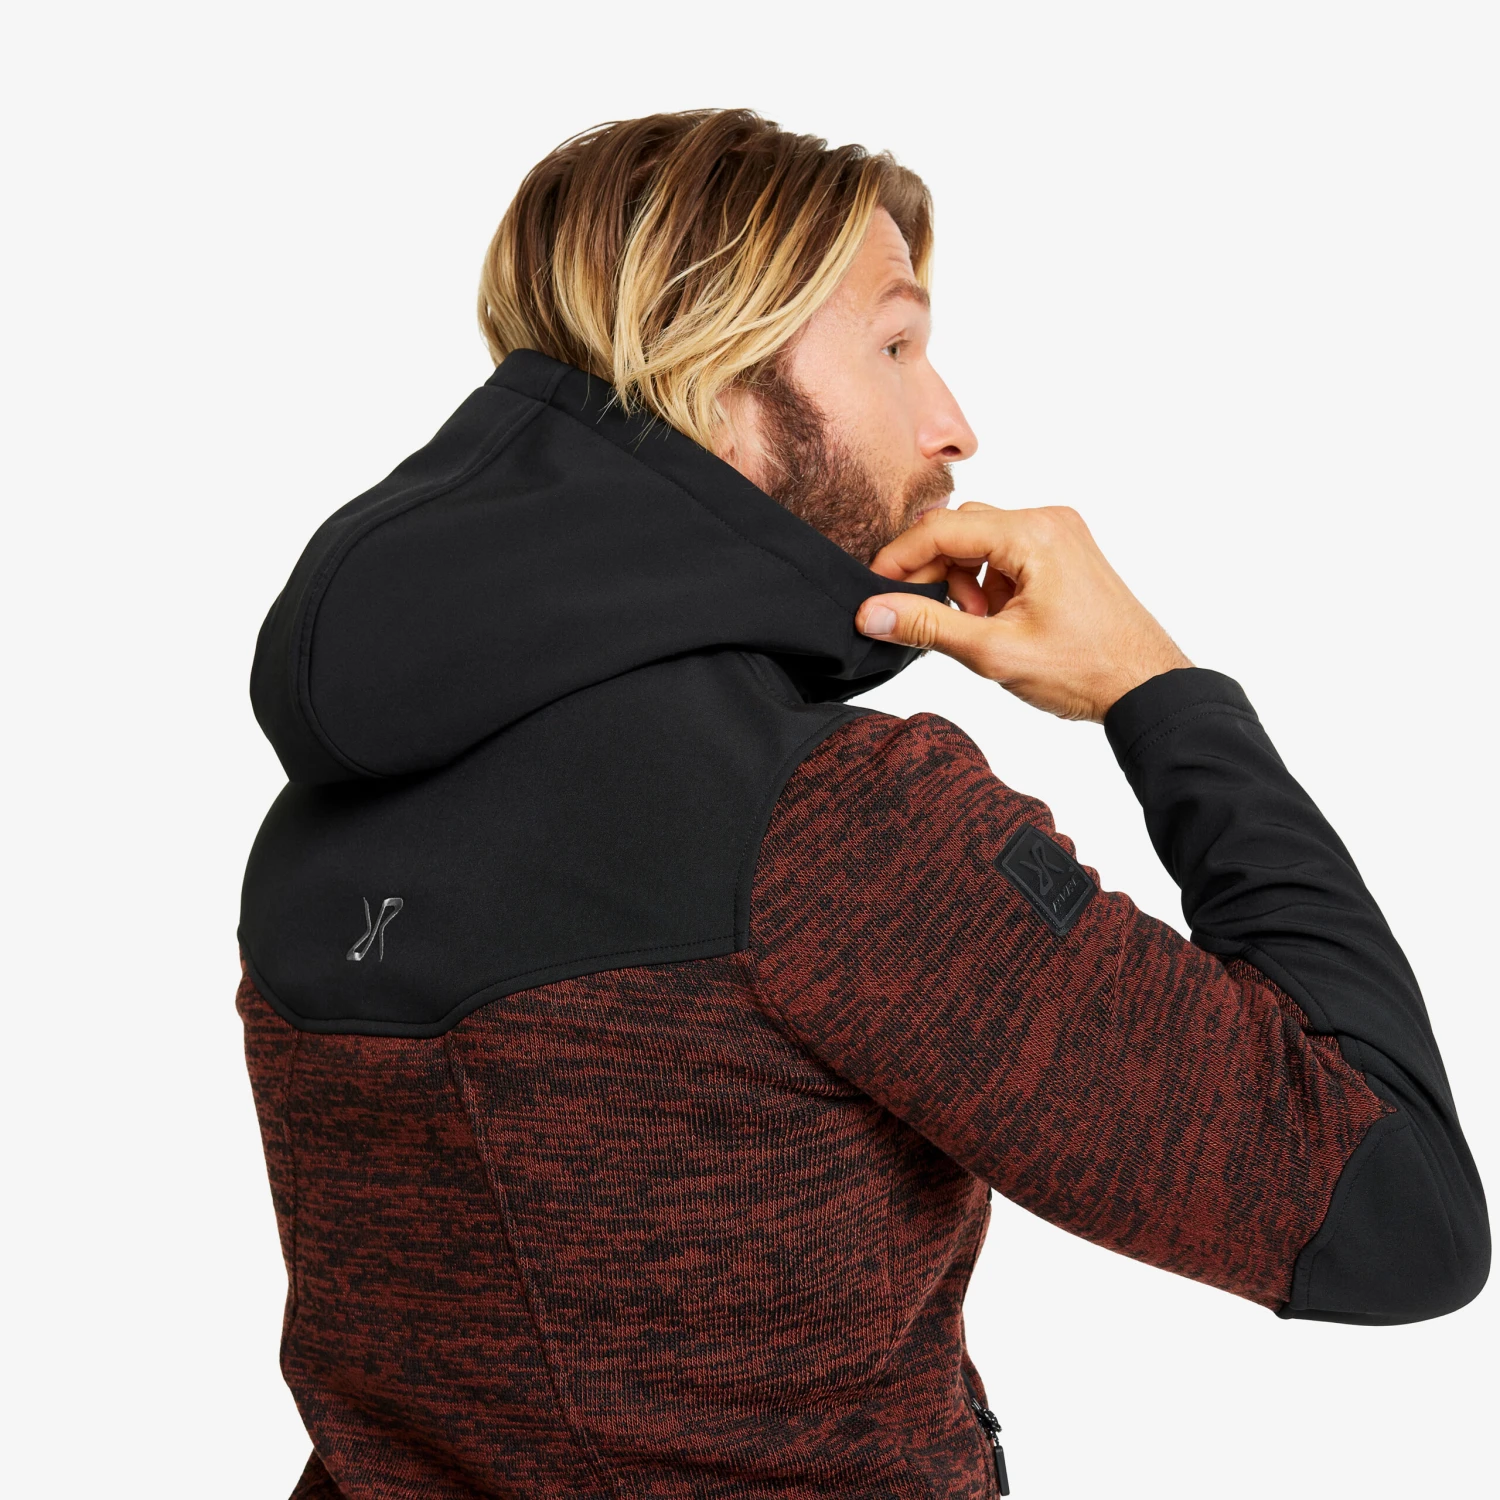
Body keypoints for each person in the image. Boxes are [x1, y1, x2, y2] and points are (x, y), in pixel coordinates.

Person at [238, 109, 1487, 1500]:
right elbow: (1394, 1211)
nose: (953, 424)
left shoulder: (333, 800)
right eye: (897, 346)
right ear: (716, 377)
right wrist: (1160, 690)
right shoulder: (826, 825)